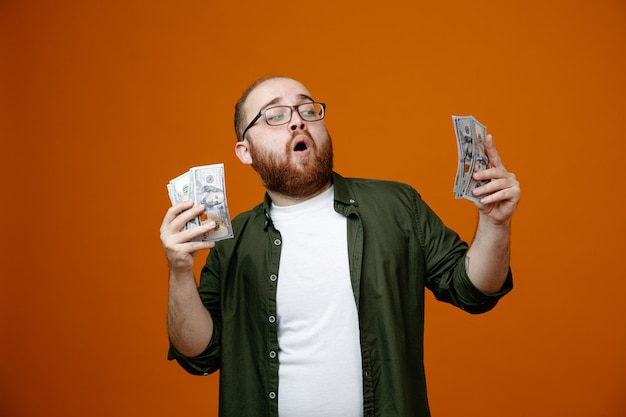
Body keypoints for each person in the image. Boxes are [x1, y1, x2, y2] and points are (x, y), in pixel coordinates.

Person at [160, 76, 521, 417]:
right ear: (245, 151)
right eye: (275, 115)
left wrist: (494, 223)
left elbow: (473, 291)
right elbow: (199, 354)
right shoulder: (232, 241)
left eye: (307, 110)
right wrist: (179, 272)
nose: (297, 121)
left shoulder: (398, 205)